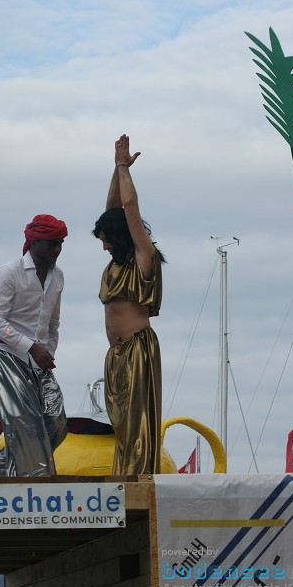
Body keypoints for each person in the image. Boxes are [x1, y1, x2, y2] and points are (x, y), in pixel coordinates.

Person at [93, 134, 166, 475]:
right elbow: (112, 212)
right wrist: (114, 169)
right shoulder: (116, 264)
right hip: (116, 355)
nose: (104, 247)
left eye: (106, 240)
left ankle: (138, 480)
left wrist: (125, 168)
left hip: (138, 349)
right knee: (120, 426)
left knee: (138, 427)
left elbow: (128, 209)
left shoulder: (143, 257)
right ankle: (123, 476)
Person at [0, 215, 69, 476]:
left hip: (38, 359)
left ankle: (3, 461)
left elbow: (53, 323)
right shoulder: (10, 272)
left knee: (56, 421)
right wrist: (31, 347)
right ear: (33, 243)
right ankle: (37, 487)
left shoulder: (58, 277)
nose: (57, 250)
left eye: (60, 244)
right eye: (51, 244)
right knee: (27, 425)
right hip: (5, 354)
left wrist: (47, 352)